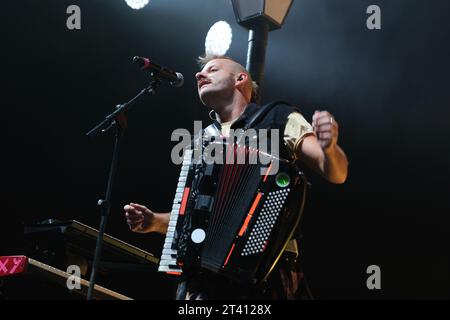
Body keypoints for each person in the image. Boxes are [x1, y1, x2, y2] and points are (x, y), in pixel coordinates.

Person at [124, 55, 349, 299]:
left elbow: (336, 173)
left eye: (212, 69)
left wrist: (329, 148)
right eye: (201, 72)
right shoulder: (202, 141)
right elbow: (196, 218)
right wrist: (156, 222)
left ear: (240, 79)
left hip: (266, 277)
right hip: (202, 285)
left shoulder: (278, 117)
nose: (200, 75)